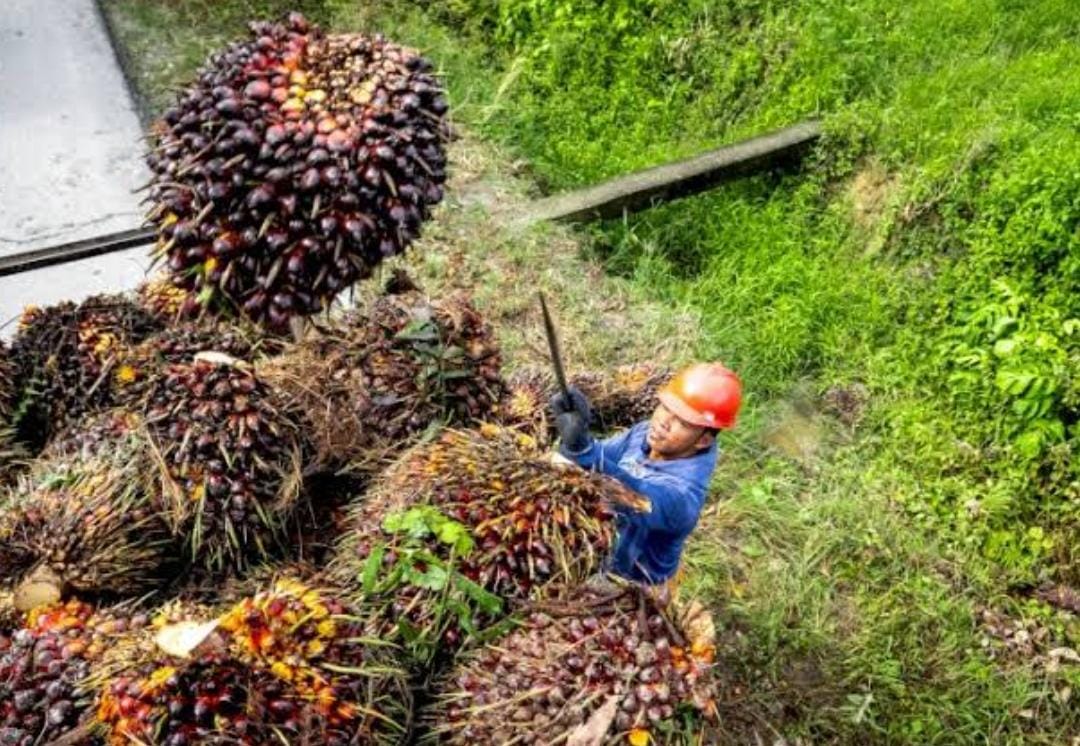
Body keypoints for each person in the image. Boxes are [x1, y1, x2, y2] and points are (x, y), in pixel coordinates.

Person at [550, 363, 741, 593]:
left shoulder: (683, 496)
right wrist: (580, 436)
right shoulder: (645, 433)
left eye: (682, 422)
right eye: (664, 407)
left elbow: (633, 496)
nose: (663, 422)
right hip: (605, 550)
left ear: (703, 440)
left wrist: (583, 451)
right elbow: (600, 456)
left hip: (634, 587)